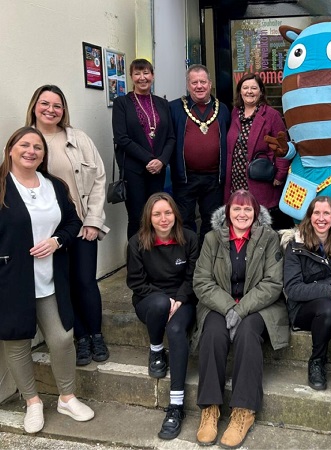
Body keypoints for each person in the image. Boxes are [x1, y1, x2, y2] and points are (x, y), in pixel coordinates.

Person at [0, 127, 93, 433]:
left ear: (43, 154)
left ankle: (66, 397)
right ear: (11, 149)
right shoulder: (1, 185)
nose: (31, 151)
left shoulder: (53, 184)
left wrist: (56, 241)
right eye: (24, 145)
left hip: (51, 278)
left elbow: (72, 222)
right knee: (16, 342)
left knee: (62, 338)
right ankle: (32, 402)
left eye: (37, 147)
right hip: (11, 280)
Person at [192, 189, 288, 448]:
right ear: (228, 212)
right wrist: (227, 308)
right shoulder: (212, 239)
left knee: (247, 333)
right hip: (219, 304)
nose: (242, 214)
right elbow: (201, 281)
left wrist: (241, 309)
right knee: (212, 332)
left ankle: (244, 410)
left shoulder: (269, 238)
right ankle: (210, 408)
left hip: (259, 306)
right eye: (237, 208)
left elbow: (272, 283)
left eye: (248, 209)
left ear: (256, 213)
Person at [25, 84, 110, 367]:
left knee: (85, 281)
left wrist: (94, 221)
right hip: (49, 232)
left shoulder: (78, 138)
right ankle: (81, 338)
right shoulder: (27, 142)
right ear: (34, 106)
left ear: (64, 110)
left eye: (57, 105)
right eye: (45, 103)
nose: (51, 110)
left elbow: (99, 179)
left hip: (82, 225)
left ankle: (96, 334)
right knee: (65, 284)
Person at [126, 192, 198, 439]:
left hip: (182, 298)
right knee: (158, 304)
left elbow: (193, 276)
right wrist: (165, 299)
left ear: (175, 215)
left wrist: (179, 298)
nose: (163, 218)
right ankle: (156, 348)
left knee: (177, 331)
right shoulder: (137, 242)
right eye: (157, 214)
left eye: (168, 213)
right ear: (149, 217)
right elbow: (136, 281)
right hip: (150, 298)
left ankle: (176, 405)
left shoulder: (189, 238)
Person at [283, 196, 331, 390]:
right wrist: (329, 291)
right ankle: (317, 361)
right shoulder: (295, 245)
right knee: (327, 308)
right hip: (305, 309)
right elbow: (292, 288)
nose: (321, 218)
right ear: (309, 216)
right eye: (316, 213)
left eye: (326, 213)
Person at [112, 58, 175, 239]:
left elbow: (171, 137)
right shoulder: (121, 103)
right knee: (137, 218)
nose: (142, 77)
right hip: (134, 171)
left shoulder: (162, 104)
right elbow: (121, 138)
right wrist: (149, 159)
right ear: (131, 77)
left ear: (153, 76)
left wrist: (161, 160)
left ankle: (155, 260)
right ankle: (136, 263)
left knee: (157, 217)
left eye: (146, 73)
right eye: (137, 73)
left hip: (158, 171)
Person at [169, 64, 230, 246]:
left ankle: (207, 261)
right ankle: (189, 260)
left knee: (212, 222)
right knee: (185, 221)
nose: (199, 86)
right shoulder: (175, 108)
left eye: (203, 81)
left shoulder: (223, 109)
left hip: (213, 179)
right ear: (188, 85)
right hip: (185, 178)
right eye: (194, 82)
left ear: (210, 84)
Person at [224, 73, 292, 230]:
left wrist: (280, 174)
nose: (249, 91)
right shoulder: (235, 113)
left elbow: (282, 146)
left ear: (261, 91)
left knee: (261, 226)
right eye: (245, 87)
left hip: (261, 181)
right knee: (240, 221)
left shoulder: (271, 115)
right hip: (237, 181)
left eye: (254, 88)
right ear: (239, 91)